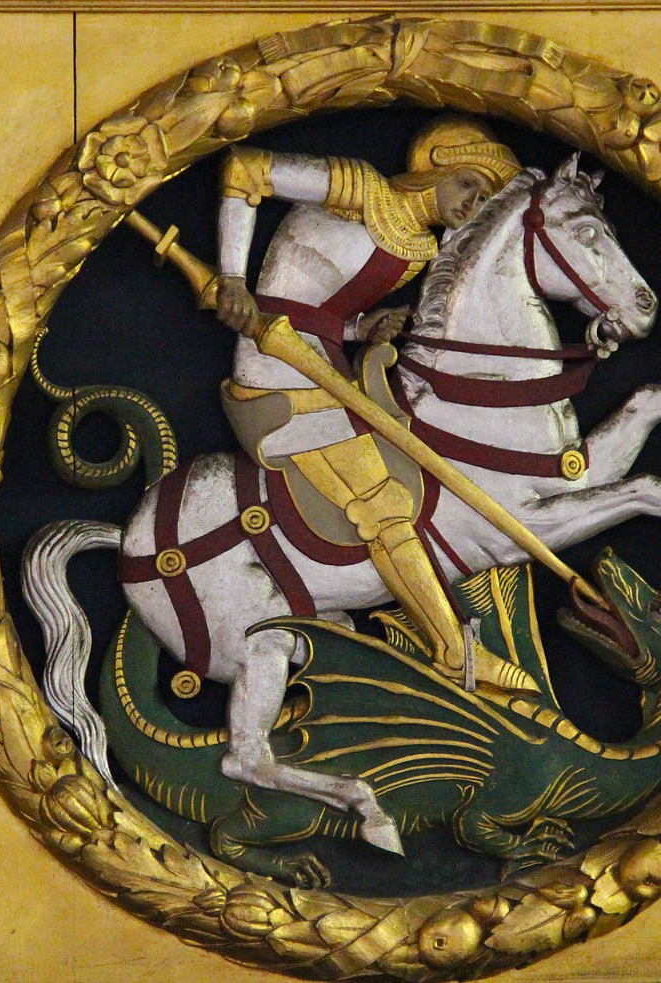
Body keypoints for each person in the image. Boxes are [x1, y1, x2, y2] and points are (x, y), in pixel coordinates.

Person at [215, 115, 538, 694]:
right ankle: (453, 653)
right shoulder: (359, 188)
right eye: (468, 184)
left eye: (484, 198)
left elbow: (317, 308)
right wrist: (232, 279)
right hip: (273, 368)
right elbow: (245, 169)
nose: (473, 203)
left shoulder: (417, 248)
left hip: (322, 367)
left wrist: (360, 328)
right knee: (383, 505)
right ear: (434, 168)